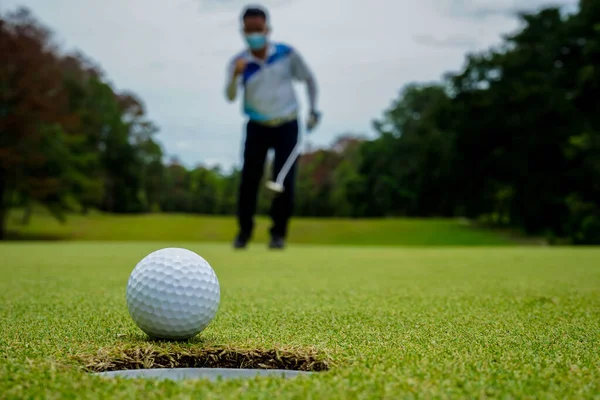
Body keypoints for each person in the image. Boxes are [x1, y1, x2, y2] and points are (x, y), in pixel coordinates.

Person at [224, 5, 321, 250]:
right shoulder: (238, 62)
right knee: (249, 180)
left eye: (258, 28)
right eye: (249, 29)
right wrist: (235, 76)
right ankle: (243, 233)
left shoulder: (287, 54)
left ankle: (278, 234)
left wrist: (313, 110)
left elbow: (309, 79)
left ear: (267, 29)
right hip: (256, 125)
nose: (254, 33)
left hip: (287, 124)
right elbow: (230, 96)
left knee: (285, 180)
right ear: (242, 30)